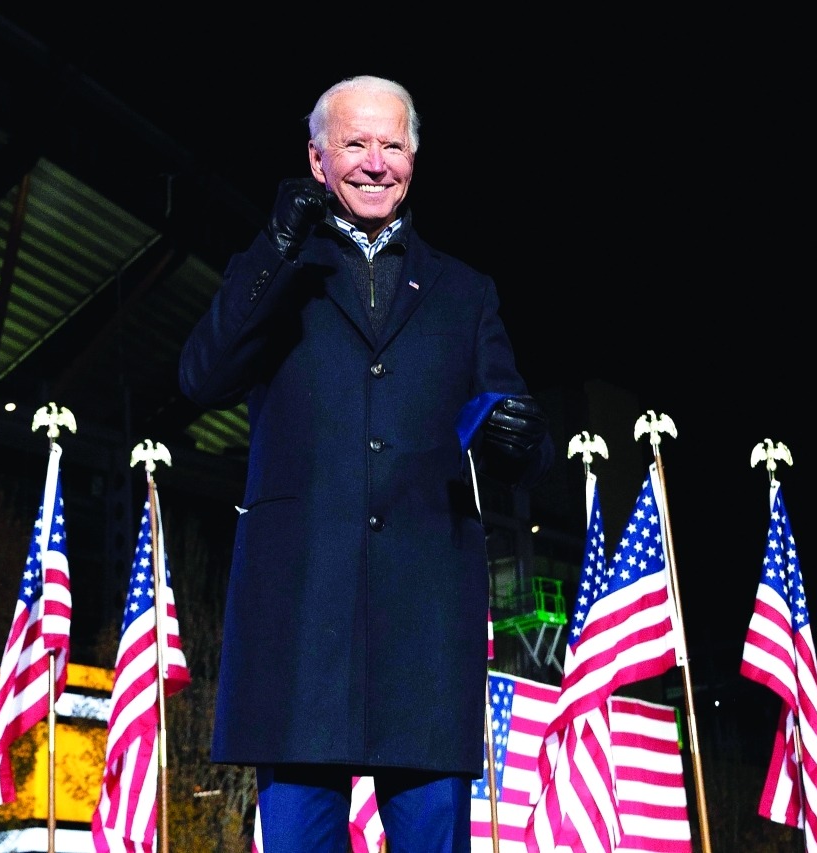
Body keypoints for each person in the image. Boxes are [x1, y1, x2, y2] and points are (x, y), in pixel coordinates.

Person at [179, 74, 553, 852]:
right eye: (355, 143)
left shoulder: (464, 290)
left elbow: (520, 439)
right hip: (300, 629)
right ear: (317, 160)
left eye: (392, 143)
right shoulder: (276, 270)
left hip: (425, 634)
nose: (375, 162)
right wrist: (276, 244)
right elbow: (201, 377)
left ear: (414, 158)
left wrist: (518, 436)